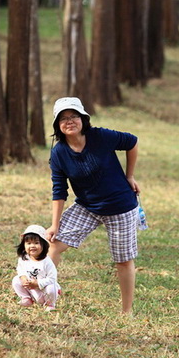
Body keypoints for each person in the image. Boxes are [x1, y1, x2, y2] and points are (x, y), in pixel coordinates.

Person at [46, 97, 140, 314]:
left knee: (123, 260)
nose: (69, 121)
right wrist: (54, 225)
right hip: (87, 206)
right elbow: (59, 190)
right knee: (54, 245)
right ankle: (47, 296)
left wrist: (130, 176)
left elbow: (132, 141)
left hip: (120, 207)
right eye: (63, 118)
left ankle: (126, 312)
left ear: (83, 119)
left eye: (74, 116)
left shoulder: (100, 136)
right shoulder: (59, 152)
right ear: (57, 125)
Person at [12, 224, 61, 311]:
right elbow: (20, 270)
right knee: (16, 280)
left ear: (43, 245)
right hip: (32, 289)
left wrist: (38, 283)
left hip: (44, 290)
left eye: (36, 243)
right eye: (28, 243)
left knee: (51, 287)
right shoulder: (24, 258)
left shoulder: (47, 262)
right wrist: (23, 277)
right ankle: (26, 298)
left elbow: (52, 279)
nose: (32, 246)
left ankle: (50, 304)